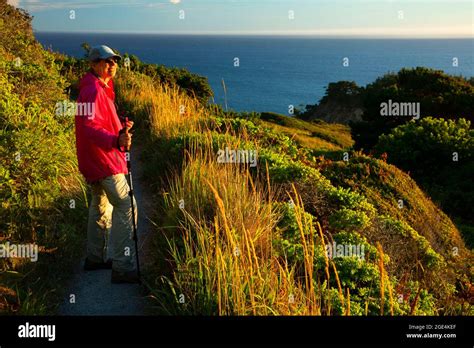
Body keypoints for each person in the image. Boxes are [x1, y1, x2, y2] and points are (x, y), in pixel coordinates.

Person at [75, 45, 139, 284]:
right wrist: (115, 139)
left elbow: (99, 120)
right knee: (127, 206)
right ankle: (123, 267)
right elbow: (89, 126)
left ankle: (96, 258)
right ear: (93, 64)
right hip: (103, 160)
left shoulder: (99, 86)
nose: (112, 65)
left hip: (94, 160)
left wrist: (121, 125)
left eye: (114, 61)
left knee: (100, 206)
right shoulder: (93, 89)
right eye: (106, 61)